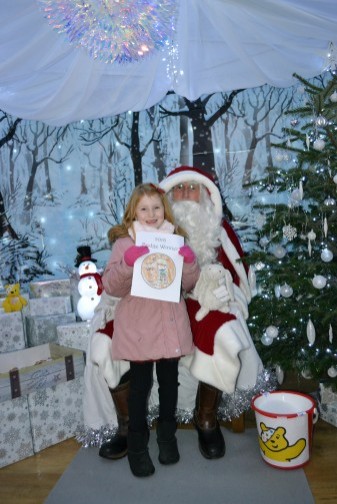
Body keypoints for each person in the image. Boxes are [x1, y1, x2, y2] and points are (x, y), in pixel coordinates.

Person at [82, 166, 265, 463]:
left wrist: (221, 288)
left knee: (224, 332)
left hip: (191, 302)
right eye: (178, 189)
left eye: (191, 188)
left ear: (206, 194)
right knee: (104, 343)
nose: (184, 195)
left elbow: (234, 274)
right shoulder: (131, 239)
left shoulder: (216, 229)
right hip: (139, 308)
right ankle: (129, 427)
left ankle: (205, 417)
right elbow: (113, 281)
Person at [99, 182, 200, 477]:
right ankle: (137, 444)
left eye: (156, 207)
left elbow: (187, 284)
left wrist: (190, 262)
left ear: (164, 209)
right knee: (139, 388)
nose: (151, 213)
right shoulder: (124, 244)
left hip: (169, 324)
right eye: (144, 208)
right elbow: (111, 286)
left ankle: (167, 437)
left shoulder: (175, 238)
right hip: (139, 328)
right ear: (133, 212)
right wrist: (129, 263)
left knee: (170, 384)